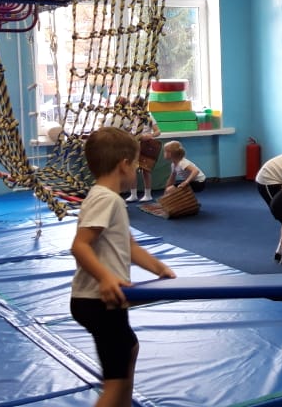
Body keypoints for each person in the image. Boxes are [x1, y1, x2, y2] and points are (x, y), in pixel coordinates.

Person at [69, 127, 175, 407]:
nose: (138, 169)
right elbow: (80, 245)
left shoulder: (107, 198)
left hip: (103, 301)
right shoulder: (106, 199)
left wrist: (159, 268)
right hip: (98, 300)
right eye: (136, 163)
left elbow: (129, 246)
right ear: (124, 165)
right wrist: (106, 278)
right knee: (115, 381)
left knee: (129, 349)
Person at [117, 97, 162, 203]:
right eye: (132, 107)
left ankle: (148, 194)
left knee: (145, 170)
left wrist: (150, 135)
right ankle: (133, 194)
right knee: (132, 169)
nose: (133, 109)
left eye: (135, 107)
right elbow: (128, 129)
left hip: (145, 144)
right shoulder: (131, 116)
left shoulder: (148, 117)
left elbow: (158, 131)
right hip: (134, 143)